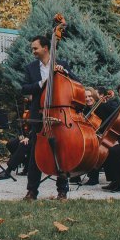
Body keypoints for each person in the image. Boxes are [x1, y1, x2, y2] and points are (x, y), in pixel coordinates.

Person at [21, 35, 77, 200]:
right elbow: (24, 88)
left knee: (60, 153)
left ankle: (62, 191)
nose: (33, 51)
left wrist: (65, 72)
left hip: (59, 116)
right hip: (39, 115)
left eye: (35, 48)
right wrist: (41, 83)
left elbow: (77, 83)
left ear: (45, 48)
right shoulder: (31, 68)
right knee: (35, 155)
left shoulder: (62, 65)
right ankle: (32, 191)